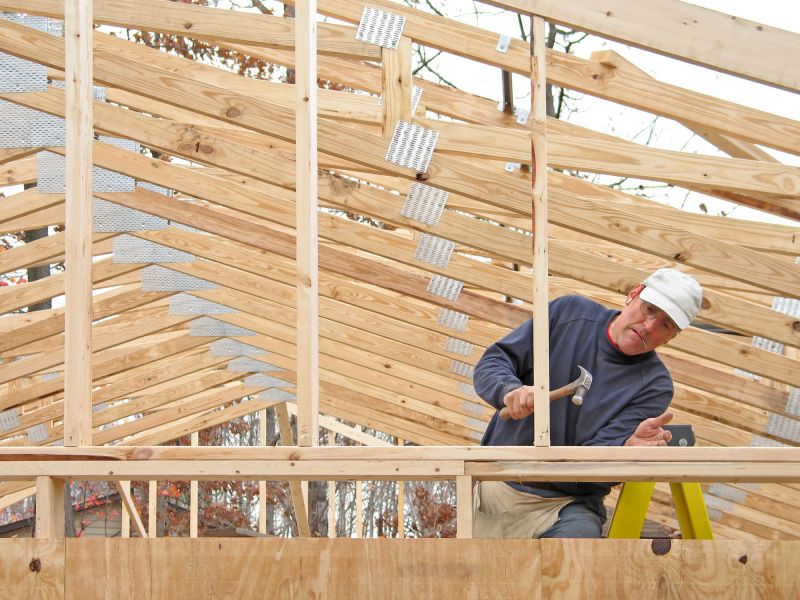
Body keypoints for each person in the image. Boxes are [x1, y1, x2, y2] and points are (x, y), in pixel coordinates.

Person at [471, 268, 703, 539]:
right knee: (475, 575)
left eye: (665, 325)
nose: (649, 326)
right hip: (499, 482)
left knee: (575, 562)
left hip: (567, 505)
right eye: (650, 309)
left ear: (671, 336)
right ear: (634, 294)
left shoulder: (654, 385)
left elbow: (594, 466)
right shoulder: (570, 314)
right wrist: (509, 390)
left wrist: (623, 450)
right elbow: (493, 362)